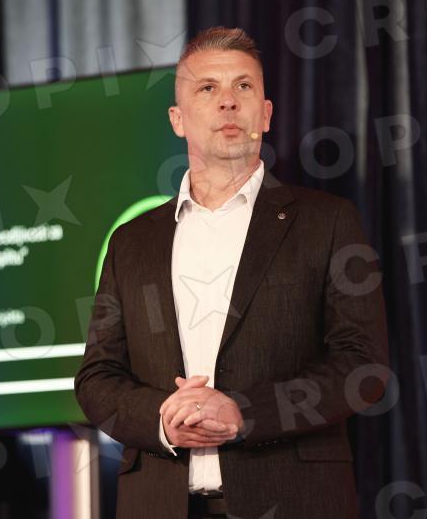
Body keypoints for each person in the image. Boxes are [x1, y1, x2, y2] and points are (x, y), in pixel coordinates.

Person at [75, 26, 389, 519]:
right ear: (177, 119)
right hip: (160, 503)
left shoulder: (327, 221)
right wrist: (161, 419)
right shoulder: (131, 242)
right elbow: (97, 377)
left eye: (244, 86)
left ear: (265, 113)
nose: (228, 101)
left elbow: (362, 365)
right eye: (208, 88)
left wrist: (244, 413)